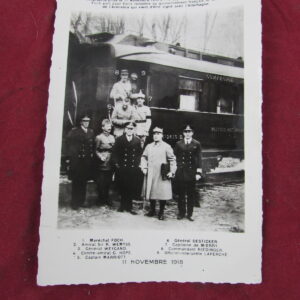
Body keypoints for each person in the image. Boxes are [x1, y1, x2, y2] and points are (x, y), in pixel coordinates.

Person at [140, 126, 177, 220]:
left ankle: (161, 212)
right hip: (151, 173)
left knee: (162, 193)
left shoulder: (166, 146)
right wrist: (144, 167)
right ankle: (152, 210)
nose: (156, 136)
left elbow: (172, 159)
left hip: (162, 173)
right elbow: (143, 157)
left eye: (158, 134)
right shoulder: (149, 146)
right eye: (154, 134)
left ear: (162, 135)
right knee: (151, 191)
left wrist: (172, 171)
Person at [112, 121, 142, 214]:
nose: (130, 130)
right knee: (123, 186)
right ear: (125, 129)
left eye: (131, 129)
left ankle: (129, 207)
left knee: (131, 186)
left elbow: (139, 154)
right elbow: (115, 152)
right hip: (122, 167)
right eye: (128, 128)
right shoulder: (119, 139)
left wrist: (138, 164)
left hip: (132, 167)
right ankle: (122, 206)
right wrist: (116, 163)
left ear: (134, 130)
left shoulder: (137, 140)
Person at [174, 124, 202, 221]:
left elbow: (199, 159)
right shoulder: (178, 144)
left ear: (192, 133)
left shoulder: (196, 144)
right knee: (181, 194)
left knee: (191, 194)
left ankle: (190, 214)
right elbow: (175, 158)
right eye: (185, 132)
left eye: (189, 131)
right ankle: (181, 213)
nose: (187, 133)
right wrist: (175, 169)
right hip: (181, 172)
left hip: (191, 172)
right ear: (183, 133)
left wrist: (198, 173)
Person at [66, 115, 95, 210]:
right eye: (85, 121)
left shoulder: (91, 132)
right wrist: (71, 158)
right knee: (76, 182)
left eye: (88, 121)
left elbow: (92, 146)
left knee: (83, 181)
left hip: (86, 160)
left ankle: (81, 201)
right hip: (78, 161)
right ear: (81, 122)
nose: (87, 122)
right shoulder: (75, 131)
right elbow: (70, 144)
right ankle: (74, 203)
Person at [94, 119, 115, 207]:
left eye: (110, 126)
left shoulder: (112, 137)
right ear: (103, 127)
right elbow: (95, 150)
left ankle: (106, 199)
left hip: (110, 163)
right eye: (107, 126)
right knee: (101, 183)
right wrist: (101, 157)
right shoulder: (99, 137)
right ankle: (100, 199)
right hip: (102, 164)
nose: (109, 127)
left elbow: (114, 149)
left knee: (108, 182)